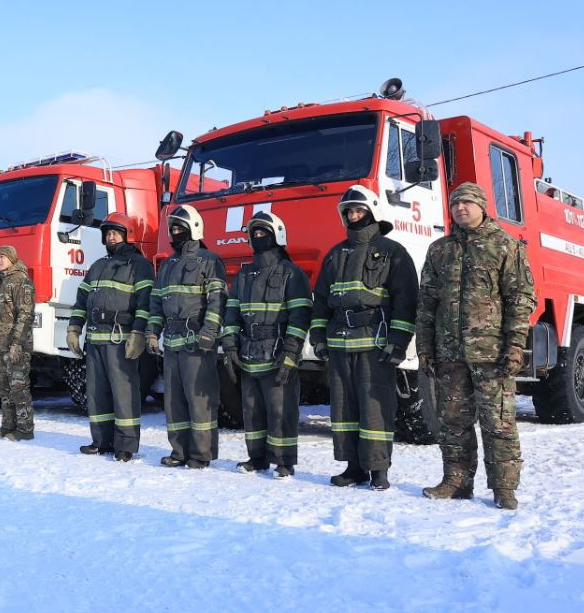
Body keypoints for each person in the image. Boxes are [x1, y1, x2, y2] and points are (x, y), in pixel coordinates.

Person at [418, 182, 537, 511]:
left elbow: (520, 300)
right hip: (449, 355)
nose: (461, 208)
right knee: (452, 422)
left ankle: (503, 487)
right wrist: (425, 348)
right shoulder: (439, 250)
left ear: (482, 207)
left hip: (492, 355)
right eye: (456, 204)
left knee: (498, 422)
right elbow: (426, 304)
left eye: (468, 203)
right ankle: (456, 482)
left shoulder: (505, 247)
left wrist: (515, 347)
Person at [310, 185, 418, 491]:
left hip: (375, 344)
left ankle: (378, 470)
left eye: (358, 211)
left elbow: (405, 300)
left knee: (375, 407)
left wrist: (398, 341)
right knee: (344, 409)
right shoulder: (335, 254)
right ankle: (353, 466)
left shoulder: (392, 252)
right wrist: (318, 336)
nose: (353, 216)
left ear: (371, 212)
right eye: (349, 212)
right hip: (339, 344)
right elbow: (321, 299)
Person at [221, 211, 313, 477]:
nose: (258, 237)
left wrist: (291, 354)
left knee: (281, 409)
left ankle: (284, 462)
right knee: (252, 410)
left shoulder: (291, 274)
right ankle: (257, 458)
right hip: (249, 351)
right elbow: (232, 313)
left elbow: (300, 316)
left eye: (264, 233)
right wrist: (229, 346)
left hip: (277, 352)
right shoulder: (244, 275)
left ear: (277, 236)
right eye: (255, 234)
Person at [67, 212, 153, 462]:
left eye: (116, 232)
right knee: (97, 393)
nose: (111, 236)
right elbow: (81, 301)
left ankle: (125, 445)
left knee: (124, 393)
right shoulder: (97, 266)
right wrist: (74, 328)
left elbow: (145, 303)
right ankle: (101, 441)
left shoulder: (140, 266)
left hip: (120, 339)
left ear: (128, 235)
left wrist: (138, 333)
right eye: (107, 233)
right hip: (95, 340)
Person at [147, 206, 227, 469]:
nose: (176, 233)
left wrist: (209, 332)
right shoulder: (168, 264)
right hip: (172, 343)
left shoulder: (209, 260)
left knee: (199, 401)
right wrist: (151, 333)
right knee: (174, 401)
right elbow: (156, 302)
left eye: (180, 228)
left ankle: (201, 454)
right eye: (173, 229)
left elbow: (217, 301)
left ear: (194, 228)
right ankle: (179, 451)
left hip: (197, 342)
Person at [0, 245, 35, 441]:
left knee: (18, 388)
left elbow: (25, 315)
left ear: (12, 259)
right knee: (3, 389)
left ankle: (25, 429)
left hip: (15, 346)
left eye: (2, 257)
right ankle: (8, 426)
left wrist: (16, 343)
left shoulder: (21, 281)